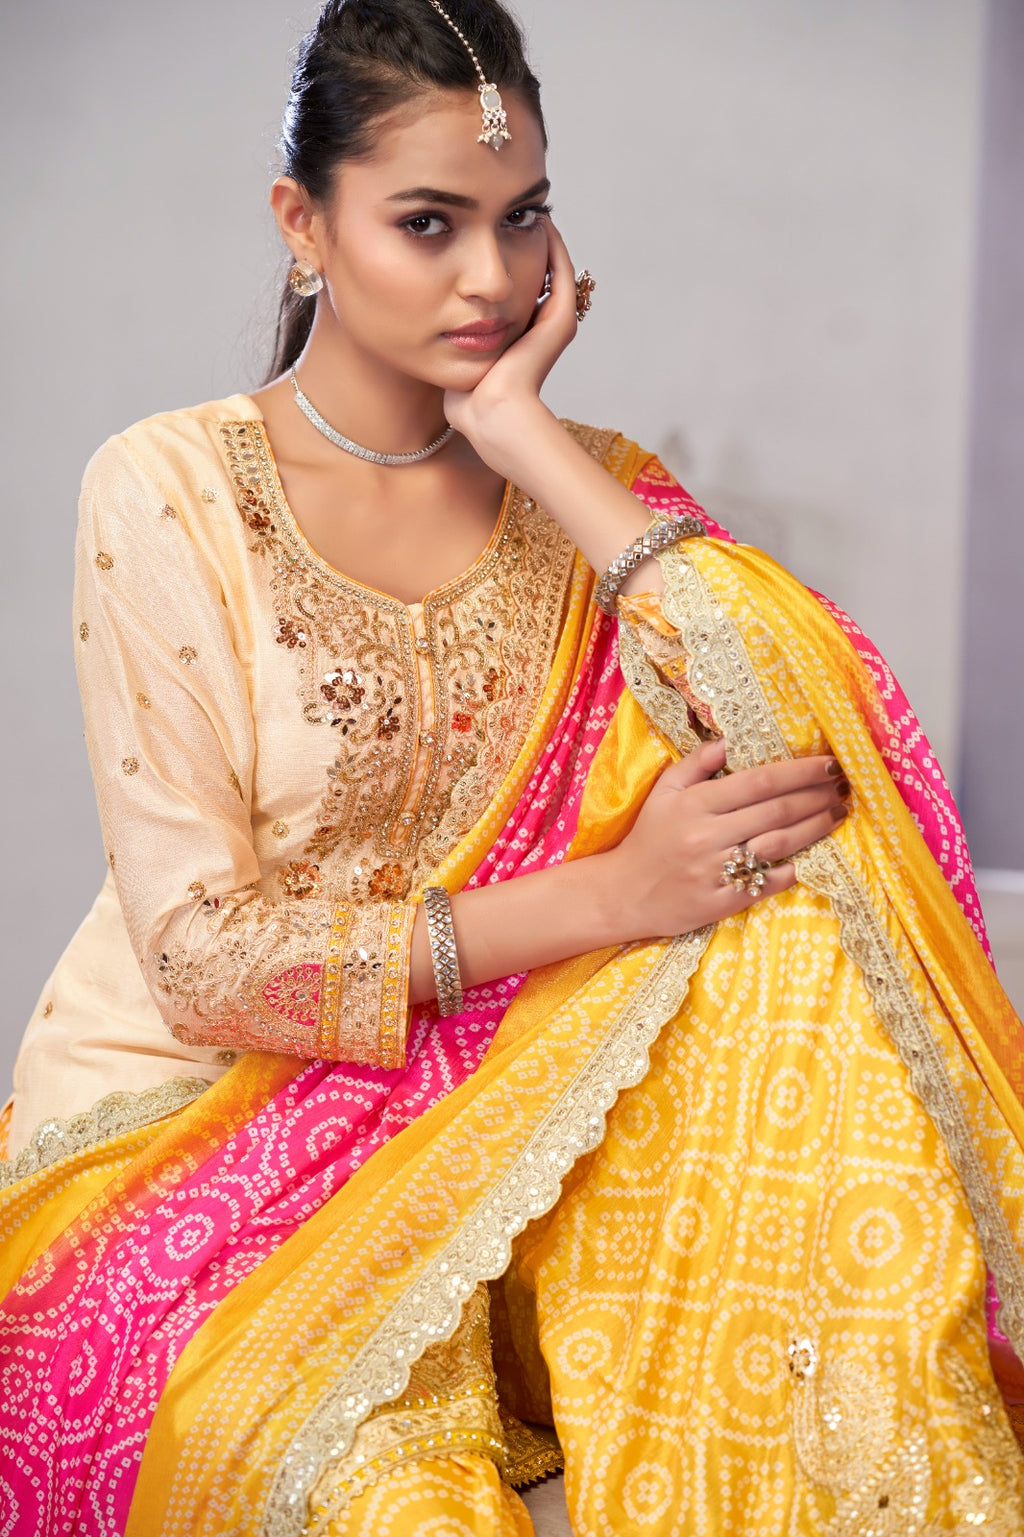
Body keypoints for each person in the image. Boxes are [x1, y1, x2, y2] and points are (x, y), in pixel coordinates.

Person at [2, 1, 1024, 1532]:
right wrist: (606, 897)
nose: (492, 275)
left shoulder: (584, 484)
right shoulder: (172, 489)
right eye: (430, 223)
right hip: (204, 1121)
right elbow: (207, 963)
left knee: (792, 938)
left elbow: (803, 737)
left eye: (522, 216)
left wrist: (522, 436)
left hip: (501, 1091)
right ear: (303, 223)